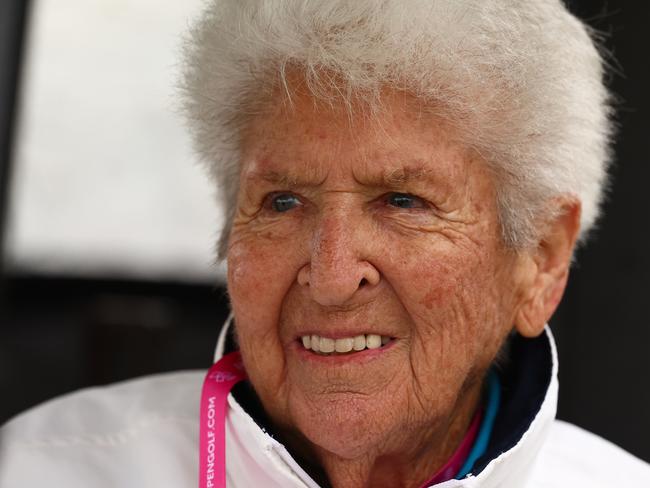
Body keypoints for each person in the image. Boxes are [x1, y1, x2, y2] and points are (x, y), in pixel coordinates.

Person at [1, 1, 649, 487]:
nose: (333, 276)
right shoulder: (42, 469)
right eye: (282, 202)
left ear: (540, 260)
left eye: (403, 201)